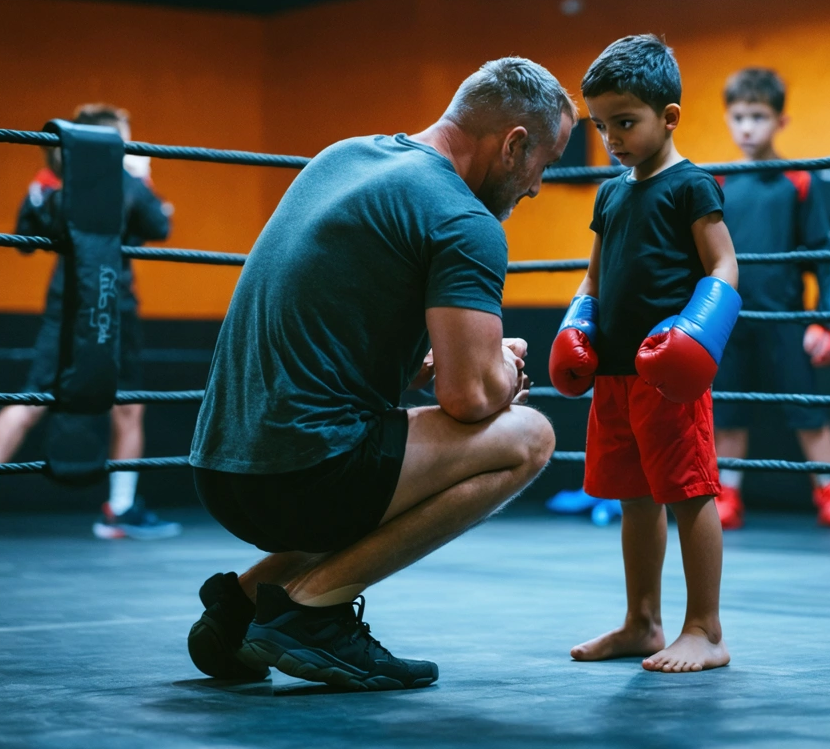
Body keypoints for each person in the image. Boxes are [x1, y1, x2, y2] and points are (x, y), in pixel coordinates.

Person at [186, 57, 573, 691]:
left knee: (383, 440)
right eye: (544, 164)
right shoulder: (464, 219)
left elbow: (329, 321)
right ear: (513, 145)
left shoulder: (344, 157)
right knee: (528, 437)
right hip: (300, 474)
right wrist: (500, 366)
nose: (536, 186)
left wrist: (431, 362)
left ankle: (244, 606)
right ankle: (312, 613)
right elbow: (470, 397)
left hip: (218, 463)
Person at [550, 35, 739, 673]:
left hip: (669, 376)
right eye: (602, 126)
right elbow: (594, 280)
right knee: (633, 496)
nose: (613, 138)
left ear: (670, 116)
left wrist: (696, 335)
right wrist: (577, 327)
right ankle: (642, 622)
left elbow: (724, 265)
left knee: (689, 493)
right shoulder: (609, 194)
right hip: (614, 374)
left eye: (625, 122)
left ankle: (706, 630)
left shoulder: (692, 186)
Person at [0, 104, 180, 542]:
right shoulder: (112, 180)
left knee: (58, 399)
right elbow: (160, 222)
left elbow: (27, 233)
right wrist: (139, 179)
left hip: (76, 296)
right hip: (109, 297)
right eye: (124, 141)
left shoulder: (56, 183)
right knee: (101, 402)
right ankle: (119, 509)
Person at [712, 68, 830, 530]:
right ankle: (728, 496)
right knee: (729, 412)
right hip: (729, 322)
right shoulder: (718, 184)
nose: (747, 127)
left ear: (780, 122)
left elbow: (827, 257)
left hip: (786, 319)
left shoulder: (799, 183)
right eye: (739, 116)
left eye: (758, 116)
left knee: (807, 409)